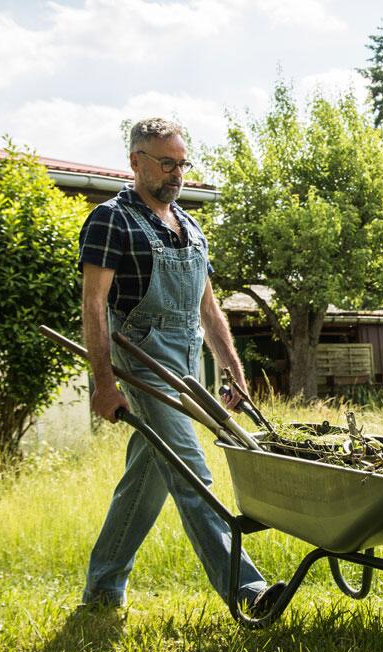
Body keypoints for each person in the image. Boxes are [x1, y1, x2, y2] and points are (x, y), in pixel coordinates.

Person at [77, 117, 284, 615]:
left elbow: (209, 310)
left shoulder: (189, 225)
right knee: (192, 472)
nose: (176, 174)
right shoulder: (112, 220)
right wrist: (103, 385)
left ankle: (103, 588)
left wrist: (232, 368)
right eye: (166, 163)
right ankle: (247, 591)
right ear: (136, 162)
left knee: (146, 477)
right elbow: (93, 307)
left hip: (186, 363)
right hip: (143, 362)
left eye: (182, 164)